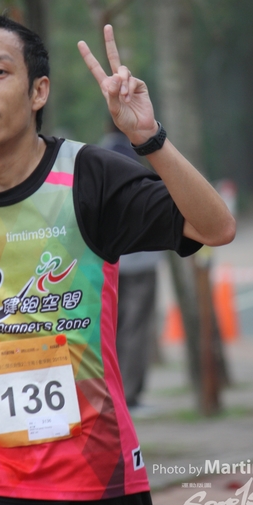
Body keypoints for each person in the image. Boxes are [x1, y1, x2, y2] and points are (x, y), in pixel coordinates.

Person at [0, 13, 235, 505]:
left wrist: (149, 138)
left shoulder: (88, 177)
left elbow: (215, 227)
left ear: (38, 91)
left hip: (93, 479)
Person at [99, 123, 162, 411]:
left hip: (109, 260)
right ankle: (130, 397)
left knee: (111, 328)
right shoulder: (146, 154)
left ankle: (111, 394)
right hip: (140, 260)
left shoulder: (95, 156)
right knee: (136, 328)